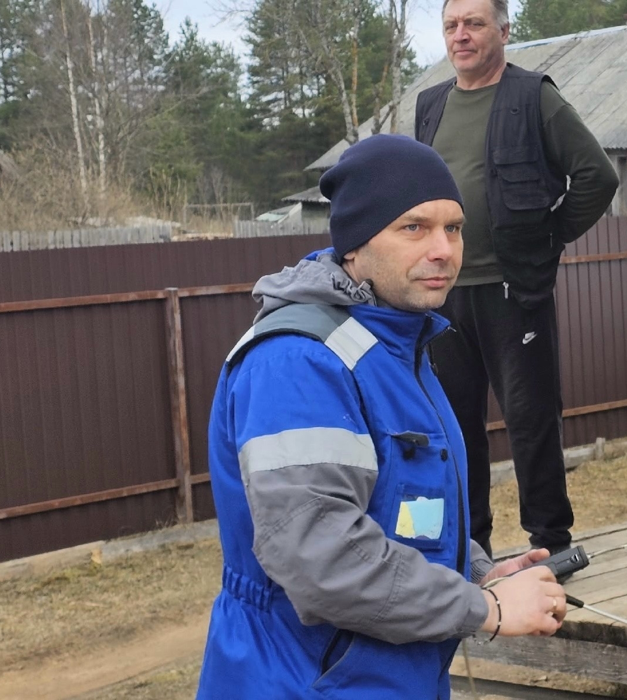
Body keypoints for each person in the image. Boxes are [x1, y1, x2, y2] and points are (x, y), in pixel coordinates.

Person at [196, 134, 568, 699]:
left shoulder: (393, 347)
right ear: (355, 243)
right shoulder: (297, 361)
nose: (443, 249)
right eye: (414, 227)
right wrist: (483, 607)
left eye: (454, 227)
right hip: (305, 682)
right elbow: (323, 562)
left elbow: (402, 506)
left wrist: (472, 571)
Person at [416, 0, 620, 561]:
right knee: (455, 427)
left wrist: (548, 237)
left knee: (531, 422)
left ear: (504, 31)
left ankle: (552, 543)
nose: (461, 35)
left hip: (513, 291)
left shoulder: (534, 98)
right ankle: (470, 549)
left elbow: (597, 176)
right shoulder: (430, 106)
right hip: (444, 295)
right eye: (452, 26)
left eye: (474, 24)